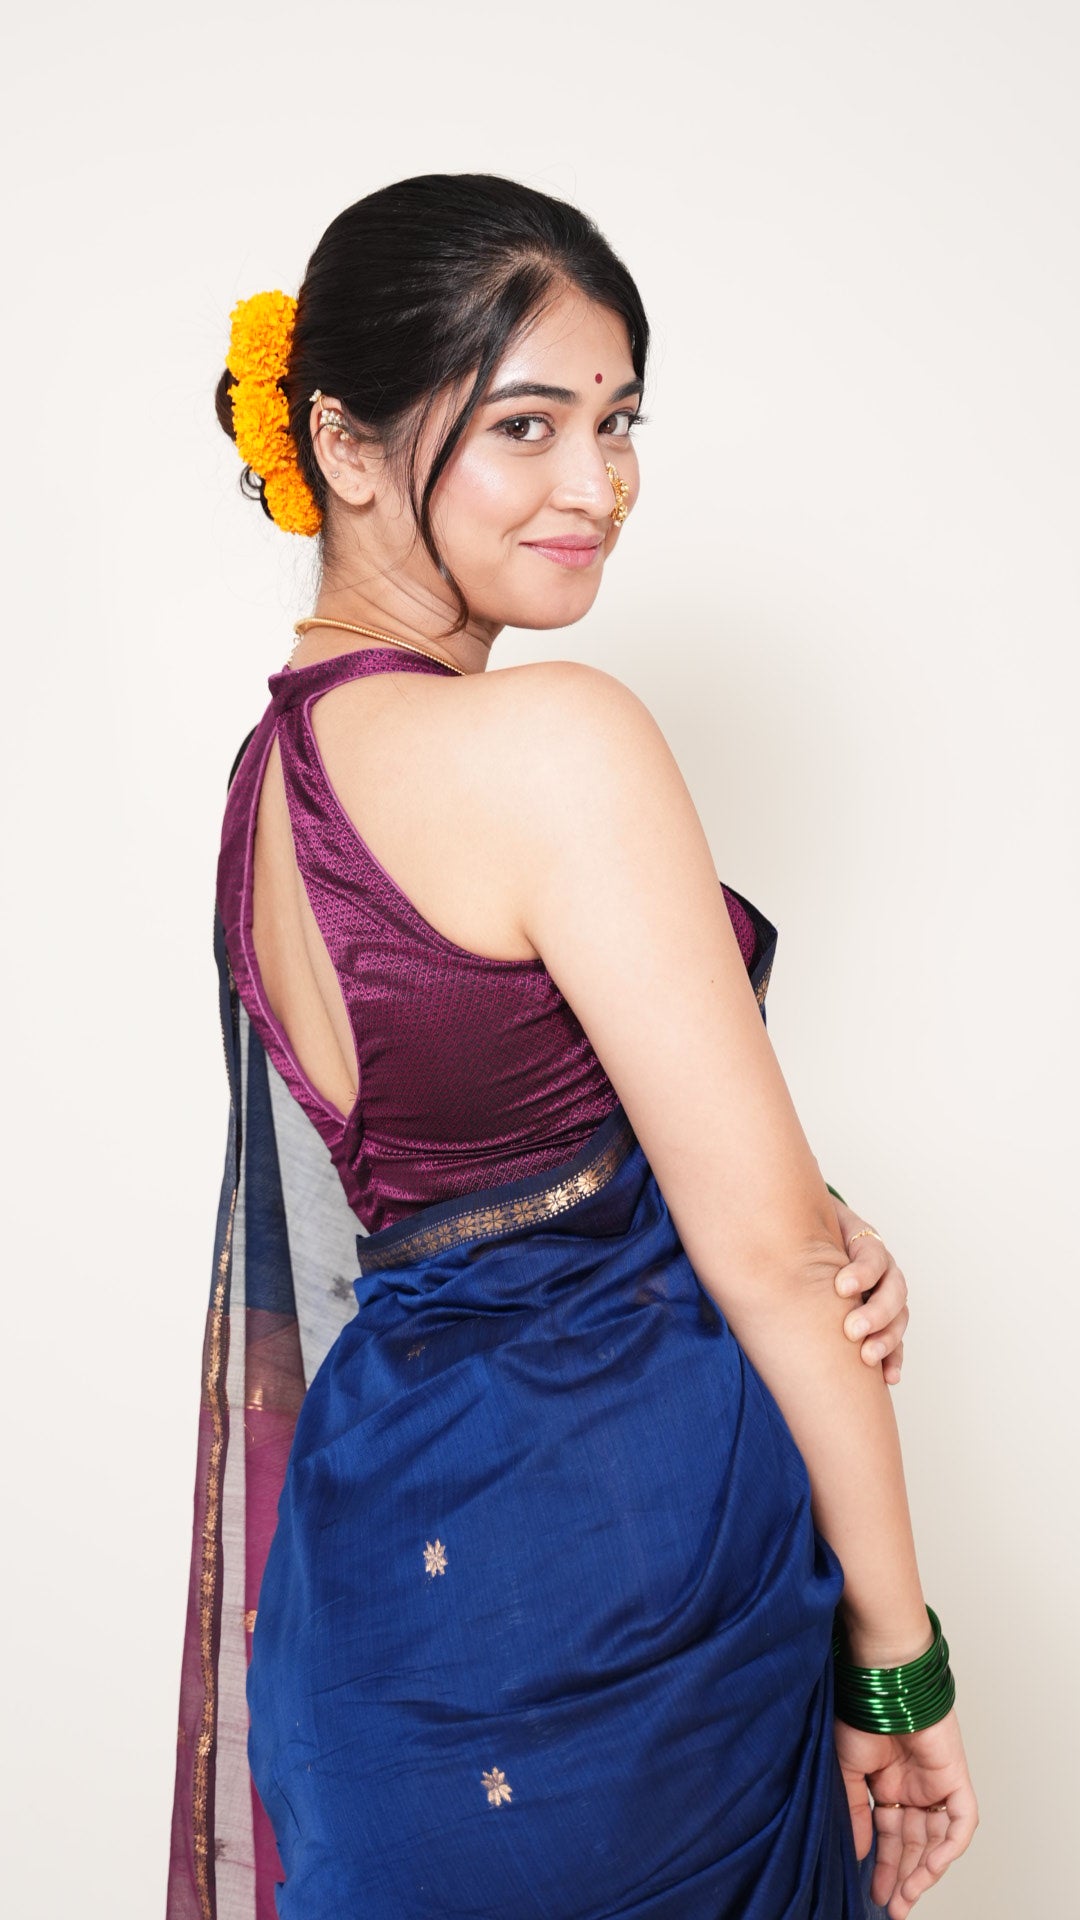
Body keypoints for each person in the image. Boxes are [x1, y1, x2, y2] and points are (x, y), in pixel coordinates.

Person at [168, 174, 977, 1920]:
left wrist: (799, 1201)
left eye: (618, 423)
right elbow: (759, 1259)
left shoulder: (262, 799)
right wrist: (898, 1669)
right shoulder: (554, 740)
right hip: (612, 1628)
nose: (598, 486)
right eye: (527, 424)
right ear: (350, 445)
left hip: (374, 1639)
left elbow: (496, 1145)